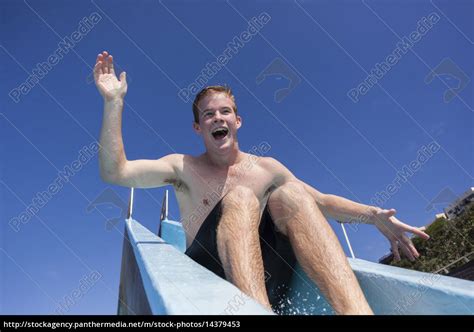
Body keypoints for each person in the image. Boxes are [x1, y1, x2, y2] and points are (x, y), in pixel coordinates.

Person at [94, 51, 429, 315]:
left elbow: (322, 203)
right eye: (208, 115)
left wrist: (373, 215)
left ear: (237, 121)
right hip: (210, 273)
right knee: (239, 197)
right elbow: (116, 172)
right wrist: (113, 103)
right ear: (198, 128)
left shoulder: (265, 168)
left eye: (224, 111)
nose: (217, 118)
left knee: (293, 193)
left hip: (264, 270)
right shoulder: (182, 167)